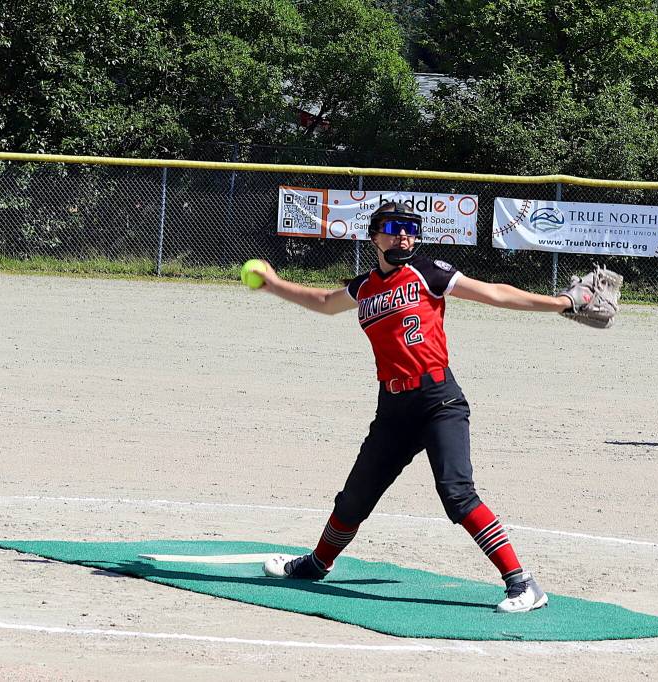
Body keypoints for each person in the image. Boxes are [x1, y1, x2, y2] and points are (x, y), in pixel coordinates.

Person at [247, 201, 581, 613]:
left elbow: (495, 294)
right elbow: (323, 301)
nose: (403, 235)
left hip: (439, 400)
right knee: (353, 500)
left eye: (410, 228)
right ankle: (317, 564)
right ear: (374, 236)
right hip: (393, 409)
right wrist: (274, 284)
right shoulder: (365, 287)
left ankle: (523, 584)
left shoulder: (428, 271)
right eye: (392, 227)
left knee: (457, 494)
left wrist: (562, 303)